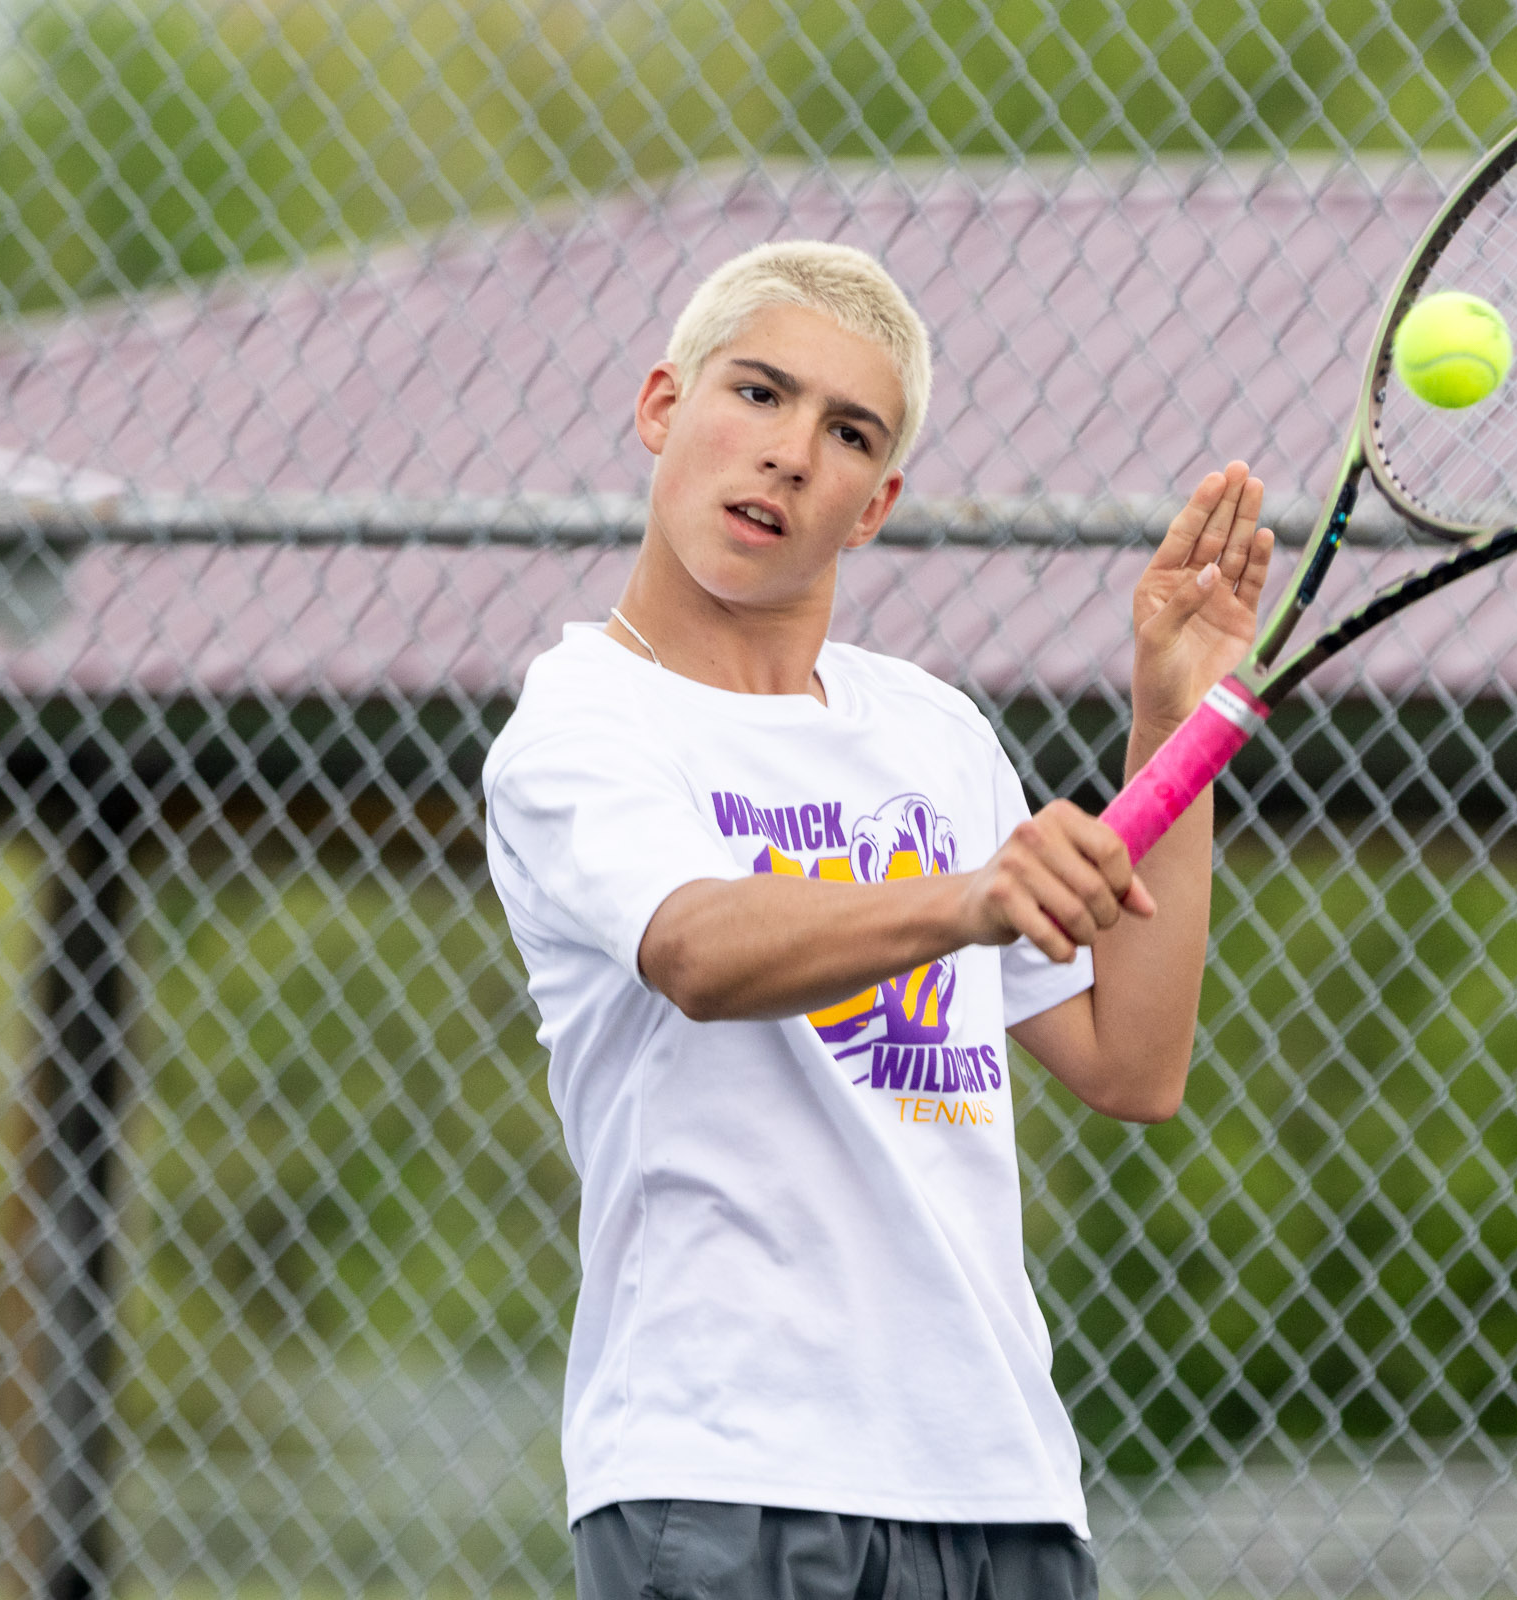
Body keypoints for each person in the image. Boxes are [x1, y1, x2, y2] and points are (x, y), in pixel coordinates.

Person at [482, 240, 1273, 1600]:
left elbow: (1133, 1065)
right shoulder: (580, 722)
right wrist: (966, 899)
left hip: (1003, 1487)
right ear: (665, 407)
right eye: (760, 395)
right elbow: (695, 951)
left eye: (848, 431)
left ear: (876, 502)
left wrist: (1173, 721)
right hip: (725, 1481)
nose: (791, 453)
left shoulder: (932, 732)